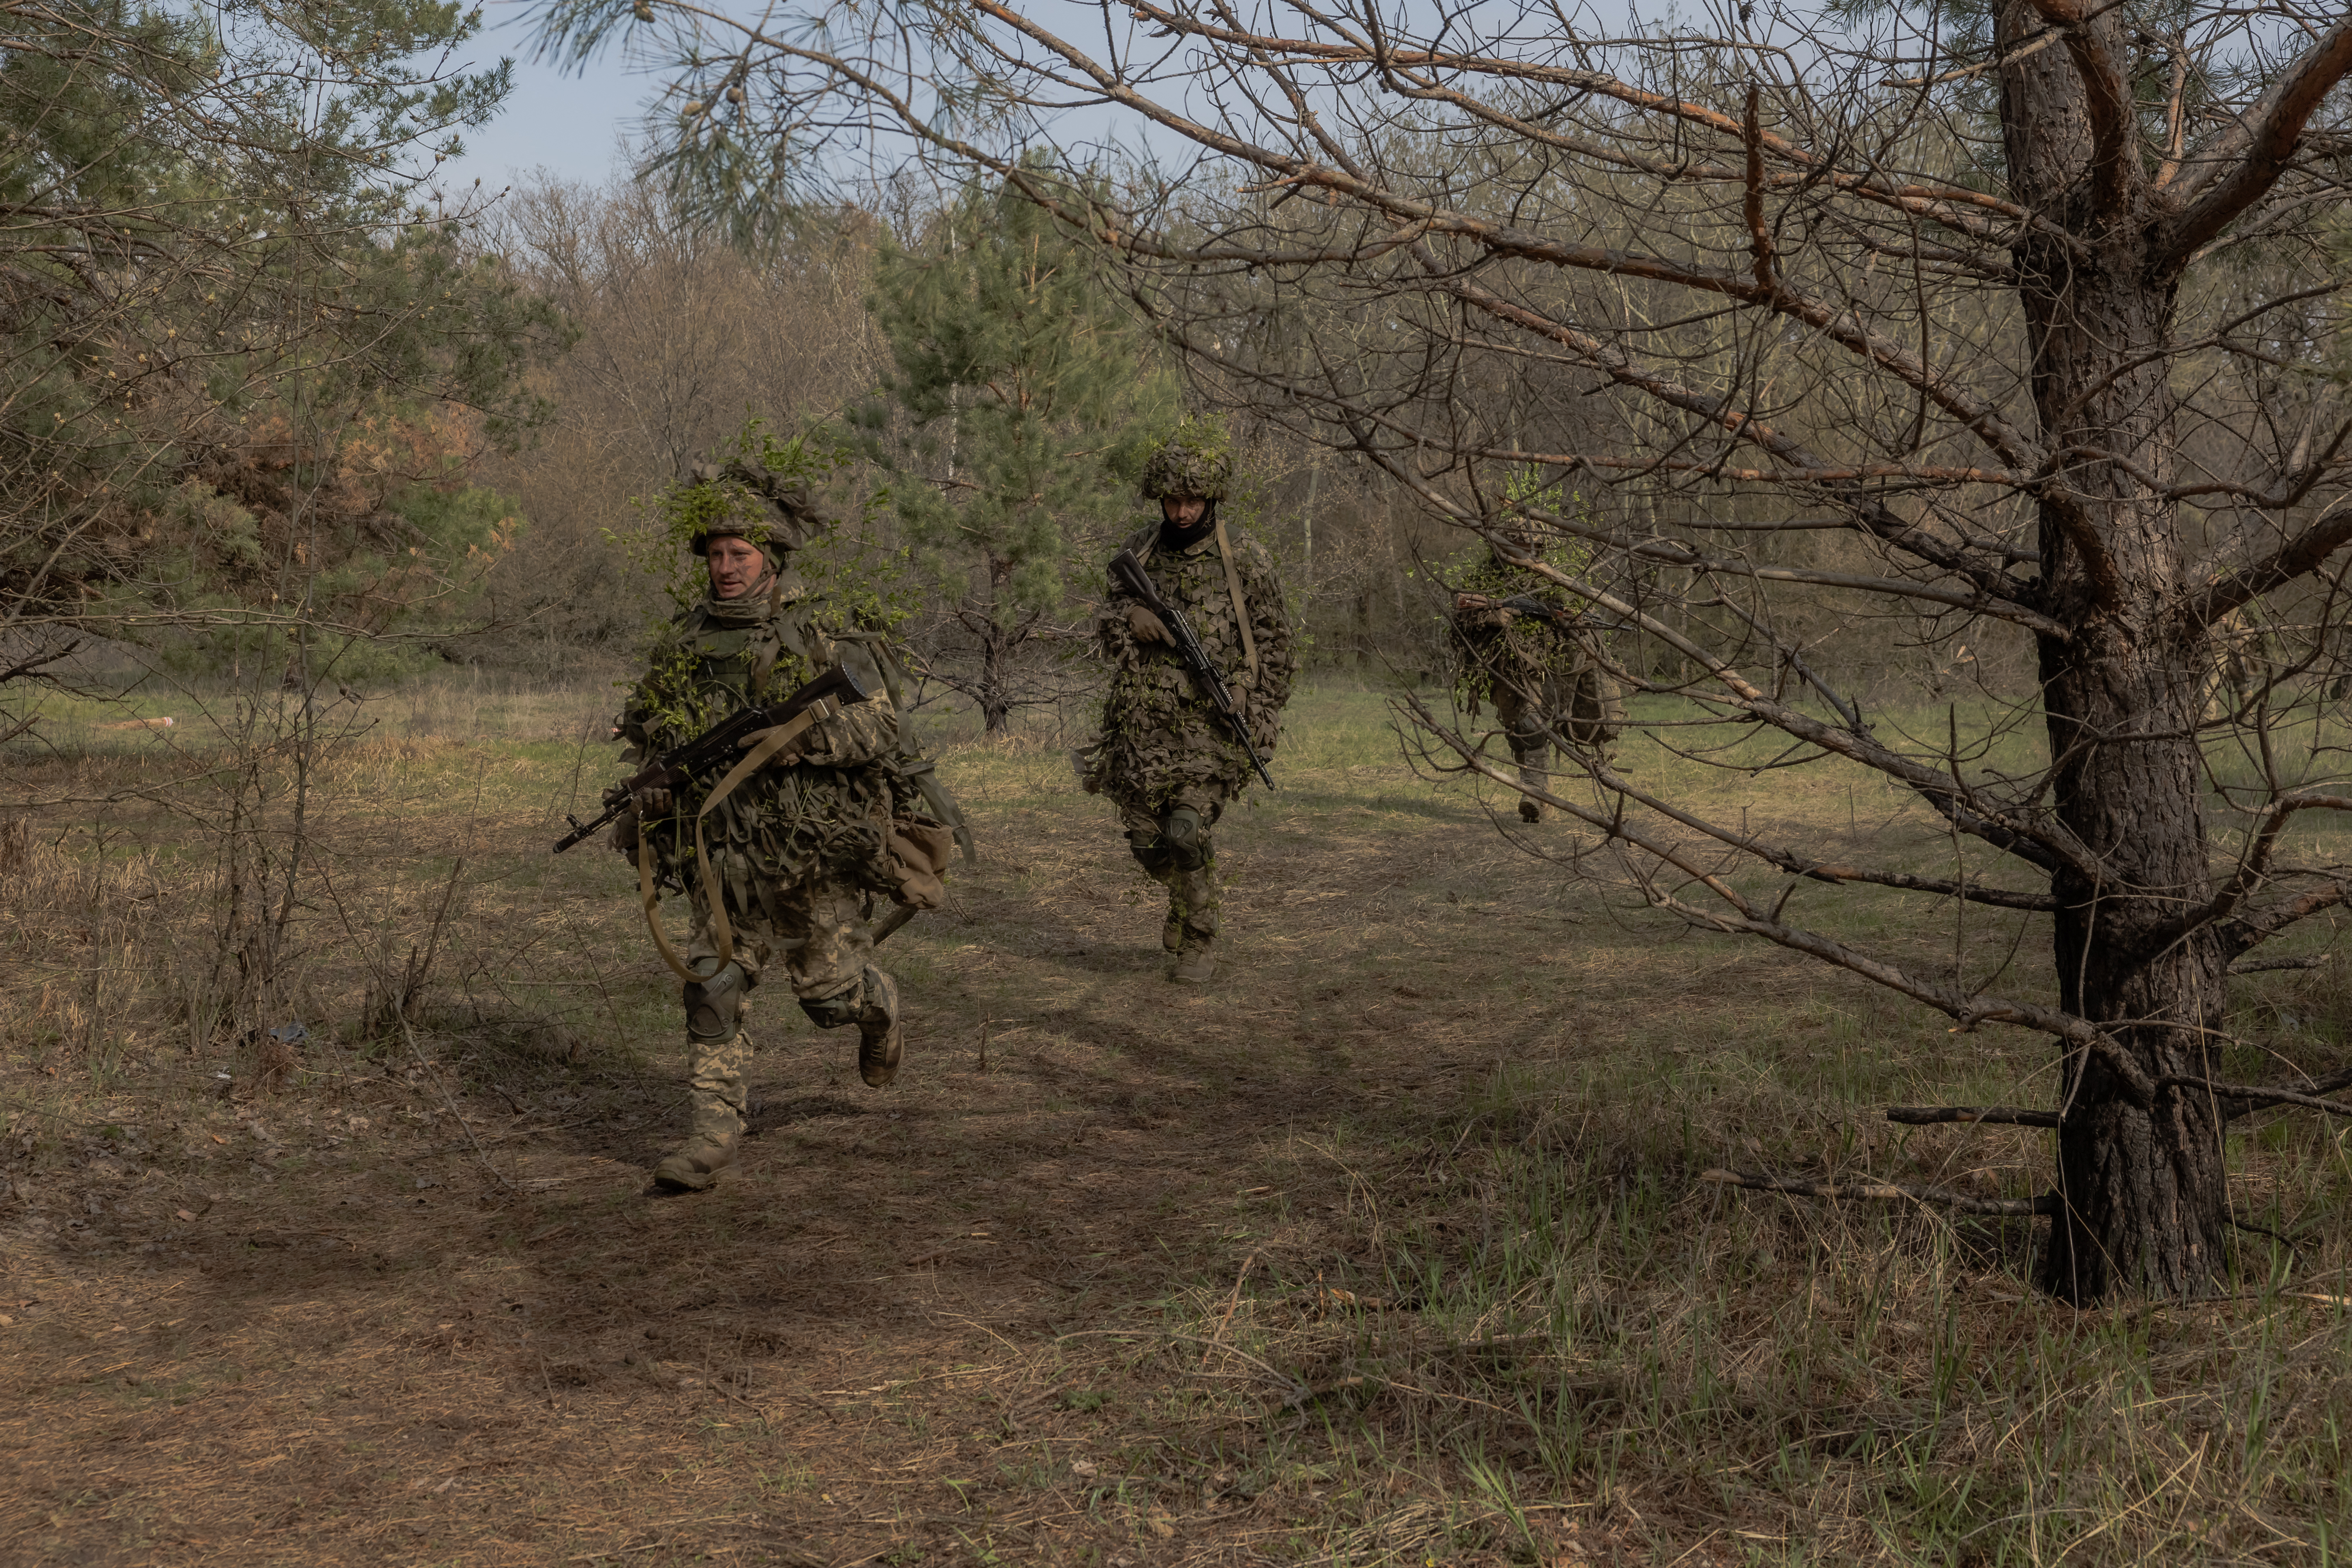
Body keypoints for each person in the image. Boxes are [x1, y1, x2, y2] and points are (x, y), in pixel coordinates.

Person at [612, 458, 959, 1192]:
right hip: (723, 854)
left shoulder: (820, 631)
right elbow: (653, 730)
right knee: (710, 988)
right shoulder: (686, 641)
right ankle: (711, 1137)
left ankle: (877, 1008)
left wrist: (801, 740)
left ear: (772, 556)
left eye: (739, 554)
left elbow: (884, 728)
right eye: (714, 555)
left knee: (829, 1000)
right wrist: (647, 788)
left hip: (809, 855)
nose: (725, 568)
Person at [1085, 417, 1295, 983]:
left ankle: (1200, 942)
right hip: (1140, 726)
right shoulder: (1140, 550)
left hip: (1210, 724)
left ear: (1212, 498)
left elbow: (1277, 644)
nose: (1181, 512)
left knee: (1185, 831)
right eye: (1172, 499)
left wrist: (1255, 704)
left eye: (1192, 500)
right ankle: (1182, 899)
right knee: (1149, 845)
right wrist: (1132, 617)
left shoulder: (1243, 558)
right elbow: (1103, 620)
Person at [1450, 528, 1620, 822]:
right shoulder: (1486, 579)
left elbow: (1572, 614)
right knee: (1516, 730)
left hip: (1544, 664)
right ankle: (1537, 797)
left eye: (1534, 547)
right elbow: (1460, 615)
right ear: (1505, 546)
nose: (1528, 552)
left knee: (1533, 720)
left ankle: (1535, 790)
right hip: (1502, 667)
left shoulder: (1552, 580)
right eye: (1521, 545)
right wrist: (1493, 615)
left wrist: (1569, 621)